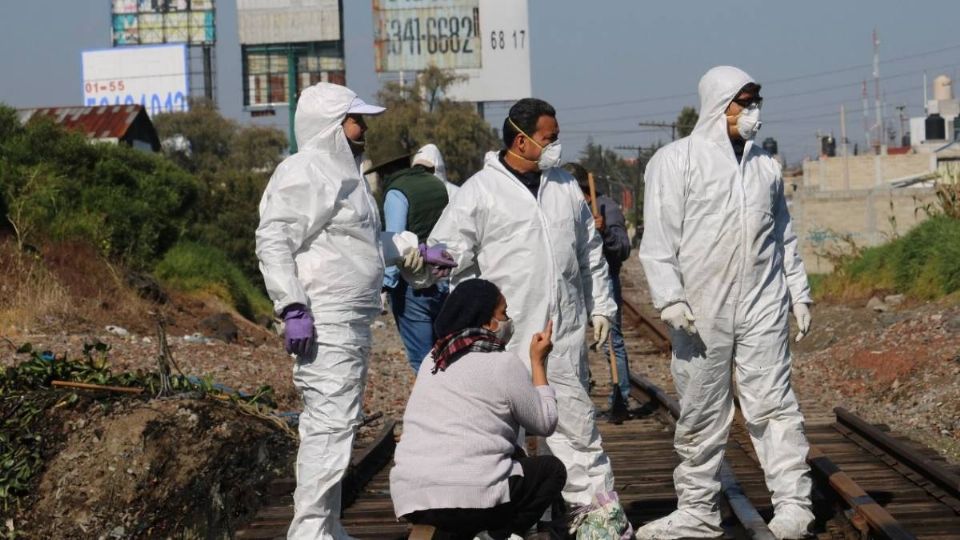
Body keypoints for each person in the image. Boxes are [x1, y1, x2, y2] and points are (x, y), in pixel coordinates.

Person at [255, 82, 452, 540]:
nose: (364, 128)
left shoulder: (349, 179)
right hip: (326, 319)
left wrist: (412, 248)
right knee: (329, 427)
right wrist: (292, 305)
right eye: (356, 119)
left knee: (338, 426)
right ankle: (309, 532)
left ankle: (325, 526)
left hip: (351, 320)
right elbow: (273, 239)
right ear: (332, 125)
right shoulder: (304, 172)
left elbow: (363, 245)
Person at [637, 66, 814, 539]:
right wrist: (670, 297)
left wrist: (798, 292)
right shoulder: (676, 161)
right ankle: (698, 510)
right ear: (719, 104)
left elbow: (783, 238)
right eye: (745, 102)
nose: (754, 111)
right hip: (700, 310)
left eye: (757, 101)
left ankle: (794, 505)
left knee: (774, 405)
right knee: (701, 408)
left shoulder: (765, 167)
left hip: (762, 303)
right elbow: (657, 242)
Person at [426, 98, 619, 511]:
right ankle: (502, 521)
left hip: (559, 338)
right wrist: (429, 259)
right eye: (550, 139)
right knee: (498, 436)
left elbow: (590, 254)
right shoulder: (480, 191)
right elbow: (447, 252)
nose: (556, 146)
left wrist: (601, 305)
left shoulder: (565, 186)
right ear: (521, 140)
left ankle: (589, 517)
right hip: (504, 339)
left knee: (577, 430)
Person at [390, 279, 566, 539]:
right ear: (487, 322)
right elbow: (545, 423)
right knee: (551, 470)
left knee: (509, 458)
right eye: (503, 313)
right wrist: (538, 362)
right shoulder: (502, 363)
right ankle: (496, 534)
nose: (508, 320)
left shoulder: (433, 358)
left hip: (411, 497)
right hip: (471, 498)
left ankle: (448, 533)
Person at [562, 163, 632, 417]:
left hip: (604, 279)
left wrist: (604, 232)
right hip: (572, 282)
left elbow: (623, 249)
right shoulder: (564, 208)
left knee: (612, 340)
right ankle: (580, 396)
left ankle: (621, 398)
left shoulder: (606, 208)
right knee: (571, 338)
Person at [381, 147, 451, 371]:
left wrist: (386, 284)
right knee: (444, 351)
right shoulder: (438, 186)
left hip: (412, 285)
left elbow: (395, 239)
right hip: (443, 277)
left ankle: (431, 404)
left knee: (422, 360)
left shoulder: (396, 193)